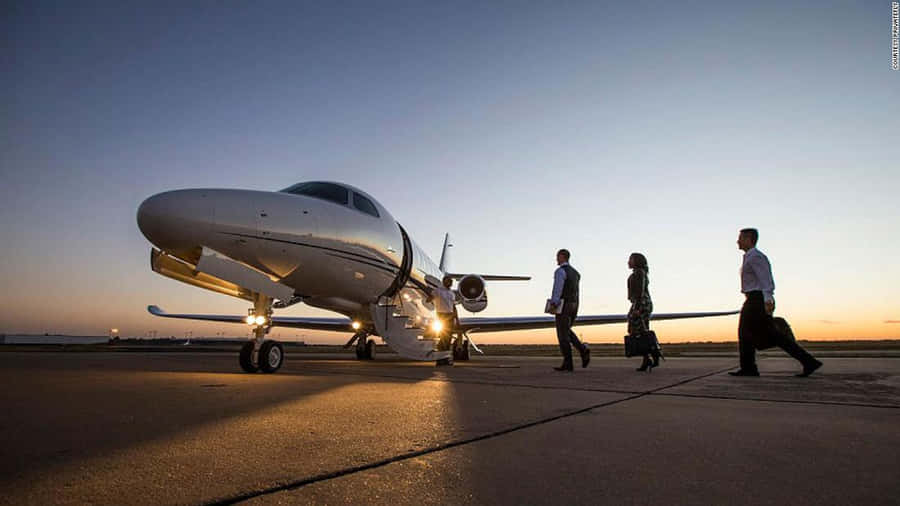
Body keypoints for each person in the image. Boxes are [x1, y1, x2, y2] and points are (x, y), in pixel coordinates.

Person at [730, 228, 823, 377]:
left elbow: (766, 280)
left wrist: (767, 299)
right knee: (746, 334)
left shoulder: (756, 257)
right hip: (752, 298)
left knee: (767, 334)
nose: (737, 241)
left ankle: (808, 361)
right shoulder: (749, 257)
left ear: (748, 239)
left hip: (757, 299)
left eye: (740, 238)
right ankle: (749, 367)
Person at [548, 249, 590, 371]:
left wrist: (554, 303)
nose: (556, 259)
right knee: (566, 331)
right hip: (574, 305)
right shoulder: (576, 273)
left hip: (564, 305)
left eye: (558, 256)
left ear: (563, 257)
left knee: (562, 334)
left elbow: (558, 289)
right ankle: (581, 351)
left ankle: (570, 361)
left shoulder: (560, 271)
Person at [627, 252, 659, 372]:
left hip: (641, 305)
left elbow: (639, 293)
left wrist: (637, 308)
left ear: (636, 261)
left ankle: (653, 356)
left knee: (639, 332)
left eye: (631, 259)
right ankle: (648, 359)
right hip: (640, 304)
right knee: (640, 332)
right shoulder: (638, 273)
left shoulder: (639, 273)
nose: (628, 262)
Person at [432, 275, 459, 366]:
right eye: (449, 281)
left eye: (451, 281)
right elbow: (429, 299)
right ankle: (440, 359)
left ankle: (445, 359)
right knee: (443, 338)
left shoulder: (452, 293)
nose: (451, 283)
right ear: (444, 281)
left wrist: (457, 319)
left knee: (448, 339)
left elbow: (454, 307)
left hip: (450, 316)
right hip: (441, 315)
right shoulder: (437, 291)